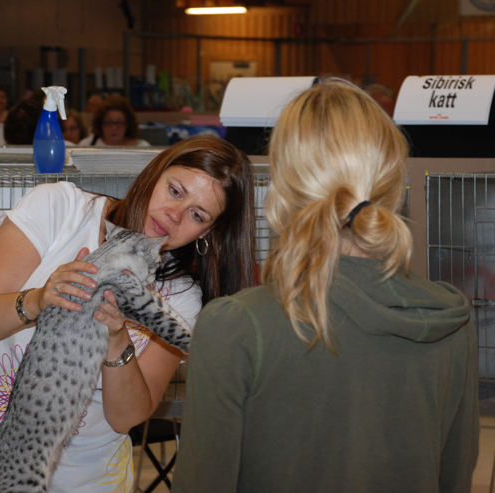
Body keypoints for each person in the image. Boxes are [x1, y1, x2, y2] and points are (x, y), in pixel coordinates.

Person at [173, 79, 479, 492]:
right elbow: (456, 478)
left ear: (281, 188)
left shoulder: (238, 328)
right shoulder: (451, 320)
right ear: (392, 185)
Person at [0, 135, 256, 493]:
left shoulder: (182, 298)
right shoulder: (60, 207)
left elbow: (126, 418)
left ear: (208, 232)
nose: (174, 215)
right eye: (176, 191)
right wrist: (38, 299)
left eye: (198, 215)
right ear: (154, 174)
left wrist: (117, 338)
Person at [79, 95, 150, 147]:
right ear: (100, 123)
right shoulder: (86, 145)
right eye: (109, 122)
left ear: (128, 124)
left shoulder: (143, 147)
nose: (114, 128)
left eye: (119, 122)